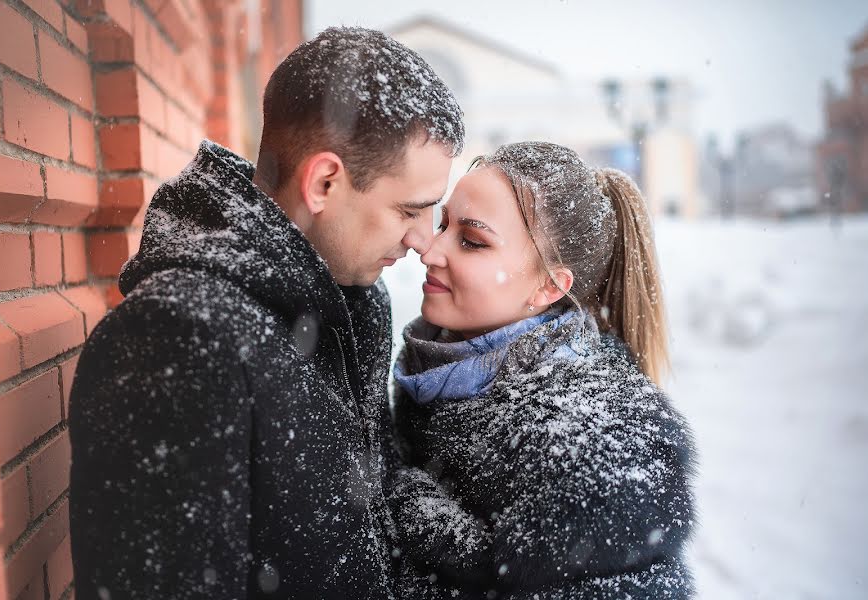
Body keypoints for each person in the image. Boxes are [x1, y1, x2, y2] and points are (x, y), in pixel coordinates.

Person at [68, 26, 464, 599]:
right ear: (324, 181)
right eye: (410, 210)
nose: (423, 242)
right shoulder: (176, 338)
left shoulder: (354, 306)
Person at [388, 142, 696, 599]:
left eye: (472, 241)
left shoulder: (596, 447)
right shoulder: (432, 380)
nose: (430, 251)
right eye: (443, 224)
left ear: (550, 286)